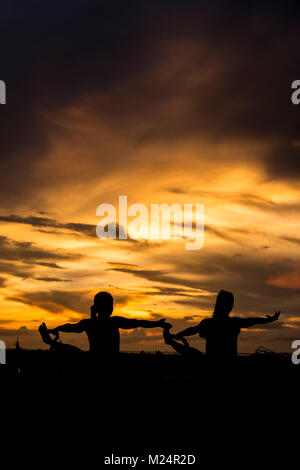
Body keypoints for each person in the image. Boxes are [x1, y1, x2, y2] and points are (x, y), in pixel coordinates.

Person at [41, 291, 170, 359]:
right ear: (110, 307)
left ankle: (51, 342)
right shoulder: (114, 321)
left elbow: (70, 327)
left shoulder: (89, 323)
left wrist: (54, 329)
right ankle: (50, 342)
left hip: (94, 360)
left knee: (71, 350)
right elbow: (139, 323)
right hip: (111, 362)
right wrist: (158, 324)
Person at [174, 290, 280, 361]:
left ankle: (170, 340)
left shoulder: (210, 323)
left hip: (217, 366)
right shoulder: (230, 323)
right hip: (223, 367)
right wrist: (270, 320)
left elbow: (254, 320)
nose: (231, 305)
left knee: (191, 353)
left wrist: (178, 335)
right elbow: (253, 320)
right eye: (230, 303)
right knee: (191, 352)